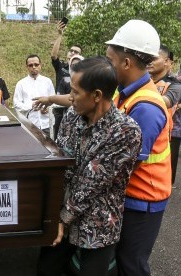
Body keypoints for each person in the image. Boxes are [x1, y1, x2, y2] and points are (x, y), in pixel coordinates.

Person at [36, 57, 142, 276]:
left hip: (97, 224)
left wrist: (63, 219)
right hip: (61, 216)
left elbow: (90, 185)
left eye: (75, 92)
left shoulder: (125, 132)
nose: (70, 97)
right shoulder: (72, 117)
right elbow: (61, 164)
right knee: (46, 269)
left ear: (96, 96)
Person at [106, 19, 171, 276]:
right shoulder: (125, 93)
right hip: (131, 196)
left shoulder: (145, 106)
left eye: (110, 61)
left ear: (126, 63)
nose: (108, 65)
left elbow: (127, 163)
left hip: (143, 200)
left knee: (132, 264)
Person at [147, 45, 181, 184]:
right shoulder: (141, 80)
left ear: (168, 62)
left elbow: (164, 102)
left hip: (162, 141)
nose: (149, 61)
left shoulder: (174, 85)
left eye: (154, 58)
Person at [51, 21, 83, 139]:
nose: (73, 53)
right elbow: (54, 56)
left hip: (77, 112)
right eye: (71, 51)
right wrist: (60, 35)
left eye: (76, 52)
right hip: (60, 112)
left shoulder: (84, 73)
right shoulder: (62, 68)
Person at [13, 54, 55, 137]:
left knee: (49, 148)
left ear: (40, 65)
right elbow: (16, 104)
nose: (34, 67)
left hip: (47, 124)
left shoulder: (47, 81)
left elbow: (53, 100)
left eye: (36, 64)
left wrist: (47, 108)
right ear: (27, 67)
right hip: (29, 125)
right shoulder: (21, 84)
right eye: (30, 65)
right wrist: (31, 106)